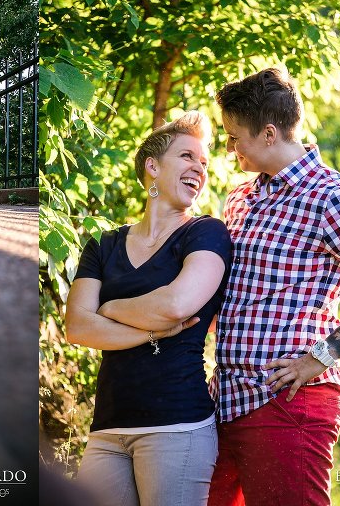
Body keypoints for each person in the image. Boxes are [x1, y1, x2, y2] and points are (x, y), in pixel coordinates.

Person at [206, 67, 340, 506]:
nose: (229, 148)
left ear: (268, 134)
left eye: (234, 136)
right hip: (222, 403)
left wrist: (317, 358)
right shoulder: (241, 197)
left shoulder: (333, 197)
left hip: (287, 404)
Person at [65, 111, 232, 506]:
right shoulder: (103, 244)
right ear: (153, 167)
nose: (199, 169)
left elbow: (176, 305)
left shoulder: (205, 233)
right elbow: (77, 328)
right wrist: (151, 331)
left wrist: (108, 308)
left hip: (177, 424)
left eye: (204, 163)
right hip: (107, 428)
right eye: (188, 157)